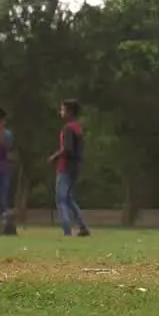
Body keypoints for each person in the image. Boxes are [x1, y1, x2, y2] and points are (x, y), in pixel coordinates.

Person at [50, 99, 90, 237]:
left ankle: (66, 230)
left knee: (60, 198)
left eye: (62, 110)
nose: (60, 112)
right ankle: (83, 227)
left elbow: (67, 149)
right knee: (68, 198)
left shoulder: (68, 128)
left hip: (65, 166)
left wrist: (54, 157)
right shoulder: (78, 128)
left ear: (70, 112)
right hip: (75, 167)